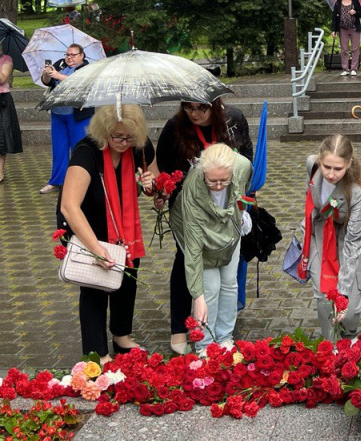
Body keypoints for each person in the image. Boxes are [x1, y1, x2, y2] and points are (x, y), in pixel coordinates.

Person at [59, 104, 156, 363]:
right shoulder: (86, 151)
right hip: (89, 224)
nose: (124, 143)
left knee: (127, 277)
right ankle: (97, 351)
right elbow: (69, 206)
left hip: (124, 226)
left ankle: (122, 336)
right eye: (117, 137)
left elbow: (156, 185)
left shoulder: (140, 147)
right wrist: (95, 248)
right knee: (95, 287)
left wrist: (151, 185)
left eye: (130, 137)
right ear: (104, 132)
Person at [156, 98, 253, 354]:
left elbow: (245, 181)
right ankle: (206, 344)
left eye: (224, 181)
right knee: (210, 285)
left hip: (229, 224)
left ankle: (225, 336)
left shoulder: (241, 166)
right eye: (213, 182)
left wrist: (242, 209)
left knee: (230, 282)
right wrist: (197, 298)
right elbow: (194, 252)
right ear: (201, 173)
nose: (219, 186)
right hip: (197, 221)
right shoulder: (193, 193)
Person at [298, 134, 361, 339]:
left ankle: (350, 336)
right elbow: (310, 196)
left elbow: (353, 245)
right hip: (320, 234)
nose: (331, 174)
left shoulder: (358, 191)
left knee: (348, 307)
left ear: (349, 163)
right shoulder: (311, 164)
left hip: (350, 238)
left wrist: (342, 293)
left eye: (338, 169)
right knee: (323, 294)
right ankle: (329, 344)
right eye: (327, 167)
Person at [40, 44, 94, 195]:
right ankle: (56, 181)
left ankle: (81, 182)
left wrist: (58, 76)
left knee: (79, 148)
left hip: (78, 114)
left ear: (82, 55)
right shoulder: (60, 64)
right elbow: (47, 82)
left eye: (73, 55)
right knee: (59, 149)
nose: (69, 57)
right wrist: (46, 74)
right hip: (58, 113)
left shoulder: (87, 67)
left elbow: (80, 83)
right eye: (67, 54)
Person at [331, 0, 361, 77]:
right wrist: (333, 30)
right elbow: (334, 17)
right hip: (342, 29)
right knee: (344, 49)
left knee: (355, 49)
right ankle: (345, 69)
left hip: (354, 29)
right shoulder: (338, 2)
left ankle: (354, 68)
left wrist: (355, 12)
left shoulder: (355, 1)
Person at [0, 53, 22, 183]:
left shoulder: (6, 59)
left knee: (1, 137)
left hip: (2, 100)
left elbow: (2, 78)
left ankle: (0, 173)